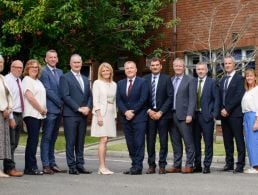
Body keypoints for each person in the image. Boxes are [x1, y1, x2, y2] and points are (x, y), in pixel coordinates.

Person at [59, 54, 92, 175]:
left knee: (80, 141)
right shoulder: (65, 77)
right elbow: (65, 96)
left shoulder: (85, 78)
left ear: (81, 63)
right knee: (71, 141)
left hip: (83, 115)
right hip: (71, 115)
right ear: (70, 63)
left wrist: (88, 107)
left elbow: (89, 95)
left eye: (79, 62)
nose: (77, 64)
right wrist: (78, 108)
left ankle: (80, 164)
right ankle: (72, 166)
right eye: (75, 62)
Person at [116, 61, 148, 175]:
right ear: (125, 70)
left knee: (139, 142)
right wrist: (125, 112)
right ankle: (134, 164)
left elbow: (143, 99)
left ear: (136, 70)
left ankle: (138, 167)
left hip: (139, 117)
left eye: (131, 68)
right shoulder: (120, 83)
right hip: (125, 118)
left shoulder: (142, 82)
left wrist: (133, 112)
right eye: (127, 68)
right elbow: (118, 100)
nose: (129, 70)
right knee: (130, 143)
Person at [166, 58, 196, 174]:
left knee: (188, 142)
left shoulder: (190, 80)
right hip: (171, 115)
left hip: (184, 116)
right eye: (176, 66)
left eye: (180, 66)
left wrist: (190, 114)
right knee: (175, 142)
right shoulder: (171, 80)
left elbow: (193, 99)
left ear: (184, 67)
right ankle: (177, 165)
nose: (178, 68)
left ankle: (189, 165)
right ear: (173, 67)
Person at [143, 57, 173, 174]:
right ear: (150, 67)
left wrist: (160, 112)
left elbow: (170, 98)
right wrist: (149, 110)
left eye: (157, 65)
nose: (155, 67)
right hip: (149, 114)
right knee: (150, 141)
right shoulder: (144, 79)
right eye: (153, 65)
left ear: (160, 66)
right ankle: (151, 165)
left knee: (163, 141)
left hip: (163, 115)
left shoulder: (167, 79)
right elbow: (142, 98)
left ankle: (162, 165)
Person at [219, 55, 245, 173]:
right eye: (225, 64)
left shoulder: (239, 79)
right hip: (224, 116)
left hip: (235, 114)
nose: (227, 65)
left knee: (239, 140)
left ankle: (240, 165)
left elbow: (238, 96)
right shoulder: (223, 79)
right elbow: (220, 97)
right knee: (227, 140)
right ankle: (229, 163)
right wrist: (221, 110)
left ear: (234, 64)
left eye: (229, 63)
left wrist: (227, 109)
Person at [192, 62, 219, 174]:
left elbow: (217, 99)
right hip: (194, 116)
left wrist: (214, 114)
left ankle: (207, 165)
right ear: (196, 71)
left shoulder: (212, 82)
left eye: (202, 69)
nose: (200, 71)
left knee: (208, 142)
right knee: (195, 142)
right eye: (198, 69)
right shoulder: (192, 82)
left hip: (207, 116)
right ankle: (197, 165)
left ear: (206, 70)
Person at [40, 49, 64, 174]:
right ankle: (45, 165)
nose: (53, 59)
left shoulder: (60, 72)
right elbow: (48, 91)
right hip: (50, 110)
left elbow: (63, 89)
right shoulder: (43, 72)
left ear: (57, 59)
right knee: (47, 137)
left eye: (55, 57)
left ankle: (52, 163)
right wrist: (61, 103)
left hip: (59, 111)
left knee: (54, 138)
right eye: (50, 57)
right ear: (46, 59)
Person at [91, 62, 117, 175]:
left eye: (107, 70)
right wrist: (99, 115)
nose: (106, 72)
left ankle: (103, 166)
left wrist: (115, 116)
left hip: (111, 114)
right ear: (100, 72)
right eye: (103, 71)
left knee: (106, 141)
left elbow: (115, 101)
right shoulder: (97, 83)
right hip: (101, 114)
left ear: (111, 71)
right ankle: (101, 167)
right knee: (103, 139)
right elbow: (95, 100)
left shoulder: (114, 84)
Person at [22, 59, 47, 175]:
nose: (34, 69)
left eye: (36, 67)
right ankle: (30, 167)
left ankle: (31, 166)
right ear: (27, 68)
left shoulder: (37, 81)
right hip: (31, 114)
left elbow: (40, 97)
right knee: (32, 141)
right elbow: (30, 97)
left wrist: (44, 109)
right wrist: (41, 109)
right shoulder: (27, 80)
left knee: (34, 140)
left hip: (38, 115)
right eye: (32, 66)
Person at [4, 60, 24, 177]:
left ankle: (9, 166)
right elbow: (7, 100)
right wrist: (11, 118)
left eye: (21, 68)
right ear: (11, 67)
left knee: (15, 143)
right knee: (11, 143)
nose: (19, 69)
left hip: (19, 114)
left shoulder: (19, 80)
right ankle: (9, 168)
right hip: (12, 115)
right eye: (16, 67)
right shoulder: (7, 80)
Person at [241, 69, 258, 174]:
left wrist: (257, 121)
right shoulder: (247, 91)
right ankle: (253, 164)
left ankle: (256, 166)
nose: (249, 78)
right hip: (246, 116)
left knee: (254, 142)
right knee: (249, 142)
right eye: (247, 76)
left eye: (251, 76)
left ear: (255, 77)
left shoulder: (257, 90)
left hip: (253, 116)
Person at [0, 55, 13, 178]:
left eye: (2, 62)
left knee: (2, 142)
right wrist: (2, 108)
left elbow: (9, 96)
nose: (0, 64)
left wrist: (9, 108)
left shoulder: (3, 78)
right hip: (0, 112)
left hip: (4, 114)